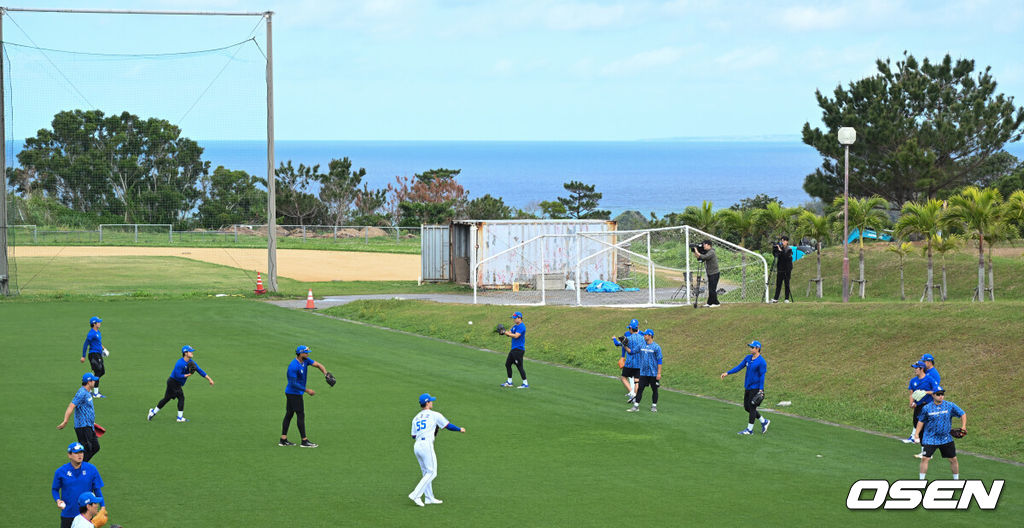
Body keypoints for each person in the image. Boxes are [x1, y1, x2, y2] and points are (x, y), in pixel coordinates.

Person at [409, 393, 465, 507]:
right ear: (427, 403)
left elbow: (414, 435)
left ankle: (429, 498)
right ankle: (416, 495)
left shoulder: (416, 418)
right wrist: (460, 429)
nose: (432, 402)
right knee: (432, 472)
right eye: (431, 401)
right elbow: (448, 425)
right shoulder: (434, 415)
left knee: (426, 472)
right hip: (426, 445)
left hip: (417, 446)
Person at [147, 345, 214, 423]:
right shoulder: (179, 363)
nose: (192, 352)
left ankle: (152, 412)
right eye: (190, 351)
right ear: (185, 353)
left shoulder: (191, 362)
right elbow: (177, 375)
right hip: (173, 382)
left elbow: (199, 370)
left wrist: (209, 379)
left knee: (166, 399)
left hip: (176, 383)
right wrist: (188, 374)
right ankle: (179, 418)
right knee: (181, 397)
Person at [280, 345, 329, 448]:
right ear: (300, 353)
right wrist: (307, 390)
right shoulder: (293, 366)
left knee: (289, 414)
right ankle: (304, 441)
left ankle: (283, 440)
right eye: (306, 353)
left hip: (295, 393)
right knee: (300, 415)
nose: (308, 354)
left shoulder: (305, 360)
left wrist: (326, 374)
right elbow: (293, 383)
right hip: (293, 393)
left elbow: (318, 365)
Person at [913, 386, 966, 480]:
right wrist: (916, 434)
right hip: (930, 438)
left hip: (946, 438)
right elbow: (921, 421)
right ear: (933, 395)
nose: (941, 396)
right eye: (938, 394)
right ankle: (921, 481)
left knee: (953, 460)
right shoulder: (927, 408)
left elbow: (962, 413)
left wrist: (963, 426)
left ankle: (956, 481)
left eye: (942, 394)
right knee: (925, 458)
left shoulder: (949, 405)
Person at [720, 340, 770, 435]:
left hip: (755, 388)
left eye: (752, 347)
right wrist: (727, 373)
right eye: (750, 347)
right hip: (748, 386)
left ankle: (749, 430)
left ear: (757, 348)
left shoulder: (761, 362)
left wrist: (761, 389)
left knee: (752, 408)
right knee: (747, 407)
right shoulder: (748, 358)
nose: (750, 348)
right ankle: (764, 421)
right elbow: (739, 367)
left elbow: (762, 376)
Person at [52, 442, 103, 528]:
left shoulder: (91, 469)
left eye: (81, 452)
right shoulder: (60, 472)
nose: (80, 455)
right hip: (68, 514)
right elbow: (54, 489)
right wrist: (58, 500)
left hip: (86, 514)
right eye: (76, 453)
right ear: (69, 455)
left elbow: (97, 489)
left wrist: (103, 507)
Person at [57, 374, 101, 462]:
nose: (95, 382)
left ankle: (80, 466)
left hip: (89, 425)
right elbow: (71, 406)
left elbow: (86, 409)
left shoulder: (87, 392)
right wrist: (65, 421)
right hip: (83, 427)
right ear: (89, 382)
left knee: (95, 447)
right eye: (93, 380)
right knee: (87, 449)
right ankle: (78, 468)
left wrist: (92, 422)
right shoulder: (82, 393)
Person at [627, 329, 663, 413]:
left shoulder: (656, 347)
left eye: (645, 335)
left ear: (650, 335)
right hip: (643, 372)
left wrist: (659, 373)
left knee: (654, 389)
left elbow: (659, 360)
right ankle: (636, 406)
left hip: (653, 373)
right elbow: (631, 352)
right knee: (640, 389)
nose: (644, 336)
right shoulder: (641, 345)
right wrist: (625, 346)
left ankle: (654, 406)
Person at [903, 361, 936, 444]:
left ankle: (926, 451)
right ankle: (923, 449)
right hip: (918, 406)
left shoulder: (929, 379)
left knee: (924, 426)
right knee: (915, 423)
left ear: (921, 369)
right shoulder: (913, 381)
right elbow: (911, 394)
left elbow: (936, 391)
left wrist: (925, 392)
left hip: (928, 406)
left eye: (916, 368)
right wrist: (911, 403)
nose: (915, 370)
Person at [613, 319, 643, 402]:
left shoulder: (629, 338)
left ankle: (632, 393)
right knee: (636, 381)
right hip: (639, 363)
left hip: (630, 363)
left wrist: (616, 340)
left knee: (623, 378)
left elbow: (620, 345)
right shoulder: (642, 338)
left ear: (630, 328)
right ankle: (635, 398)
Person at [498, 311, 528, 388]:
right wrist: (503, 332)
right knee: (507, 364)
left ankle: (525, 383)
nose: (514, 320)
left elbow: (516, 336)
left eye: (515, 318)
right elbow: (510, 332)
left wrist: (506, 333)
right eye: (513, 318)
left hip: (519, 350)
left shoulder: (522, 326)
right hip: (513, 350)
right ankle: (509, 382)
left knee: (519, 366)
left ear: (519, 318)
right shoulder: (515, 326)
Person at [81, 316, 108, 398]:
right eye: (98, 322)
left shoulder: (98, 332)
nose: (100, 323)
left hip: (98, 354)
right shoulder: (91, 333)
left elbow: (98, 343)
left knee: (102, 371)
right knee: (98, 371)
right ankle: (95, 393)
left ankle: (90, 383)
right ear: (94, 324)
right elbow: (86, 344)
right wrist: (83, 356)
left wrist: (104, 349)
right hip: (93, 355)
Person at [693, 240, 720, 307]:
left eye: (704, 244)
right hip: (710, 273)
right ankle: (709, 303)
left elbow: (704, 257)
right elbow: (700, 258)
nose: (703, 246)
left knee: (712, 289)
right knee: (710, 288)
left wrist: (696, 249)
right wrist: (695, 252)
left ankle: (716, 303)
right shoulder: (708, 252)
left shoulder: (711, 252)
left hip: (714, 273)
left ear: (708, 245)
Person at [771, 236, 794, 303]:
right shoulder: (780, 248)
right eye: (782, 241)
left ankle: (786, 298)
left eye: (784, 241)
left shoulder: (789, 249)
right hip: (780, 268)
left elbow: (786, 257)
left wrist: (781, 250)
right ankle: (776, 298)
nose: (782, 242)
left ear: (787, 241)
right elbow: (776, 255)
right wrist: (775, 249)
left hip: (787, 269)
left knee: (786, 283)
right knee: (778, 284)